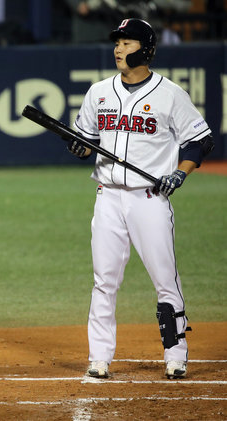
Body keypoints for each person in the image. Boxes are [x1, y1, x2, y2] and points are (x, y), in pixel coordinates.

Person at [67, 18, 214, 380]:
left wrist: (180, 172)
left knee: (166, 279)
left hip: (149, 199)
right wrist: (81, 148)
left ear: (145, 49)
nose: (119, 48)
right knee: (104, 280)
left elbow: (200, 140)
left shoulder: (170, 94)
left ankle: (176, 354)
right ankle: (99, 356)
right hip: (108, 198)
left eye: (128, 42)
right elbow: (86, 139)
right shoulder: (99, 92)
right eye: (117, 42)